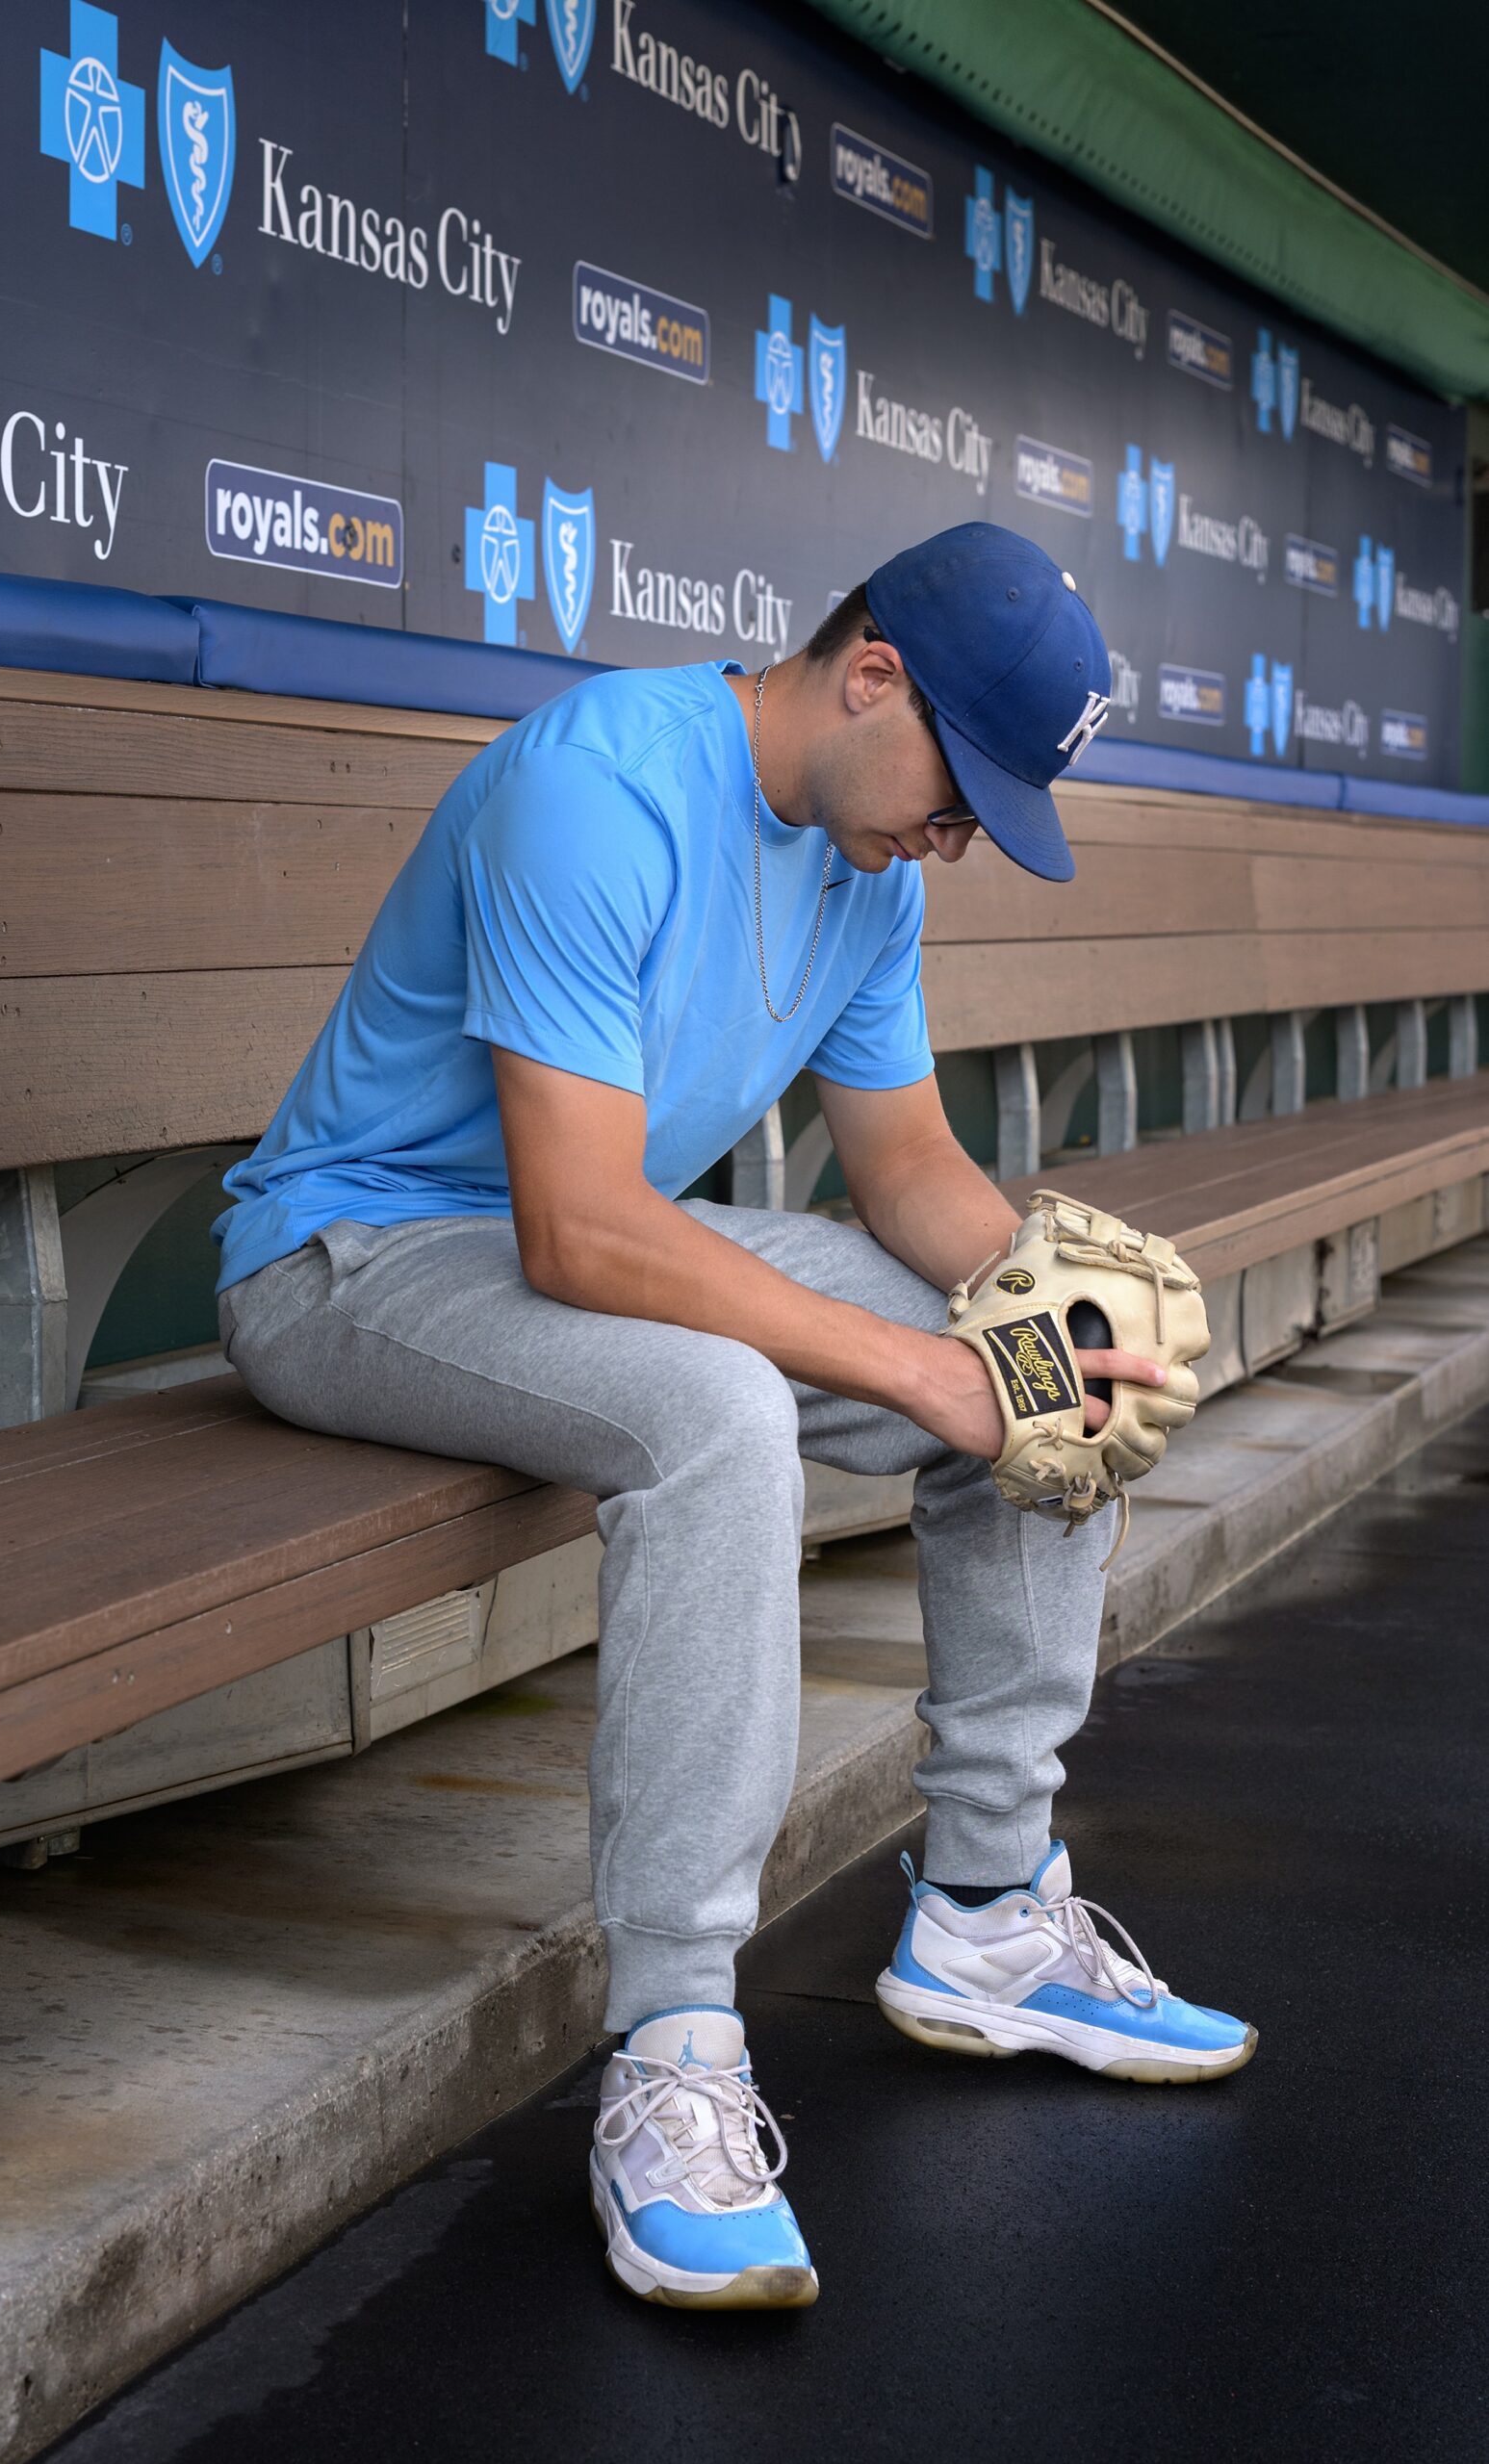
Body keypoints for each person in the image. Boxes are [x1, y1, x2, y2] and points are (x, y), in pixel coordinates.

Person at [211, 522, 1255, 2314]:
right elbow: (582, 1231)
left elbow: (910, 1171)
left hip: (585, 1248)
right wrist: (935, 1376)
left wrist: (1060, 1306)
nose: (951, 842)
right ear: (871, 675)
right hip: (354, 1259)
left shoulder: (872, 869)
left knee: (1017, 1346)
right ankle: (674, 2047)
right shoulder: (595, 788)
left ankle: (992, 1913)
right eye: (958, 794)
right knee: (725, 1408)